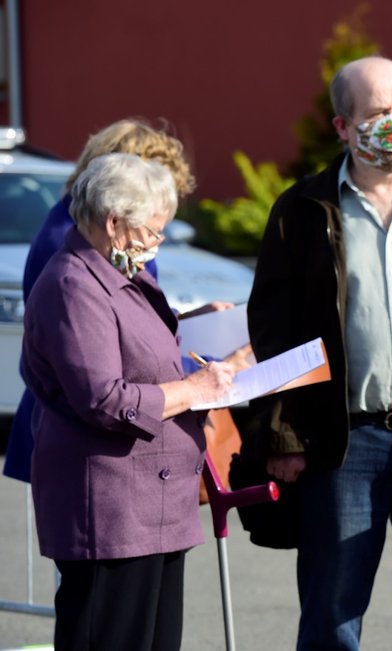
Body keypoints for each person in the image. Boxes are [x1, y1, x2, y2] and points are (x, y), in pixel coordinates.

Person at [247, 55, 392, 650]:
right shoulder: (303, 211)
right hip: (344, 440)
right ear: (343, 127)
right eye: (378, 112)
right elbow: (276, 331)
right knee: (332, 611)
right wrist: (282, 435)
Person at [20, 153, 236, 651]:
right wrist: (196, 390)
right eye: (153, 230)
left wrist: (200, 325)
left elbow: (139, 345)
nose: (157, 242)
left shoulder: (118, 271)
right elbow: (103, 397)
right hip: (111, 507)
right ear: (114, 223)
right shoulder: (75, 283)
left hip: (152, 504)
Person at [3, 118, 203, 483]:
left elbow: (127, 319)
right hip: (89, 444)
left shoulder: (100, 235)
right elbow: (99, 375)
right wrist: (192, 388)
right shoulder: (79, 248)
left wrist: (187, 320)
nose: (157, 236)